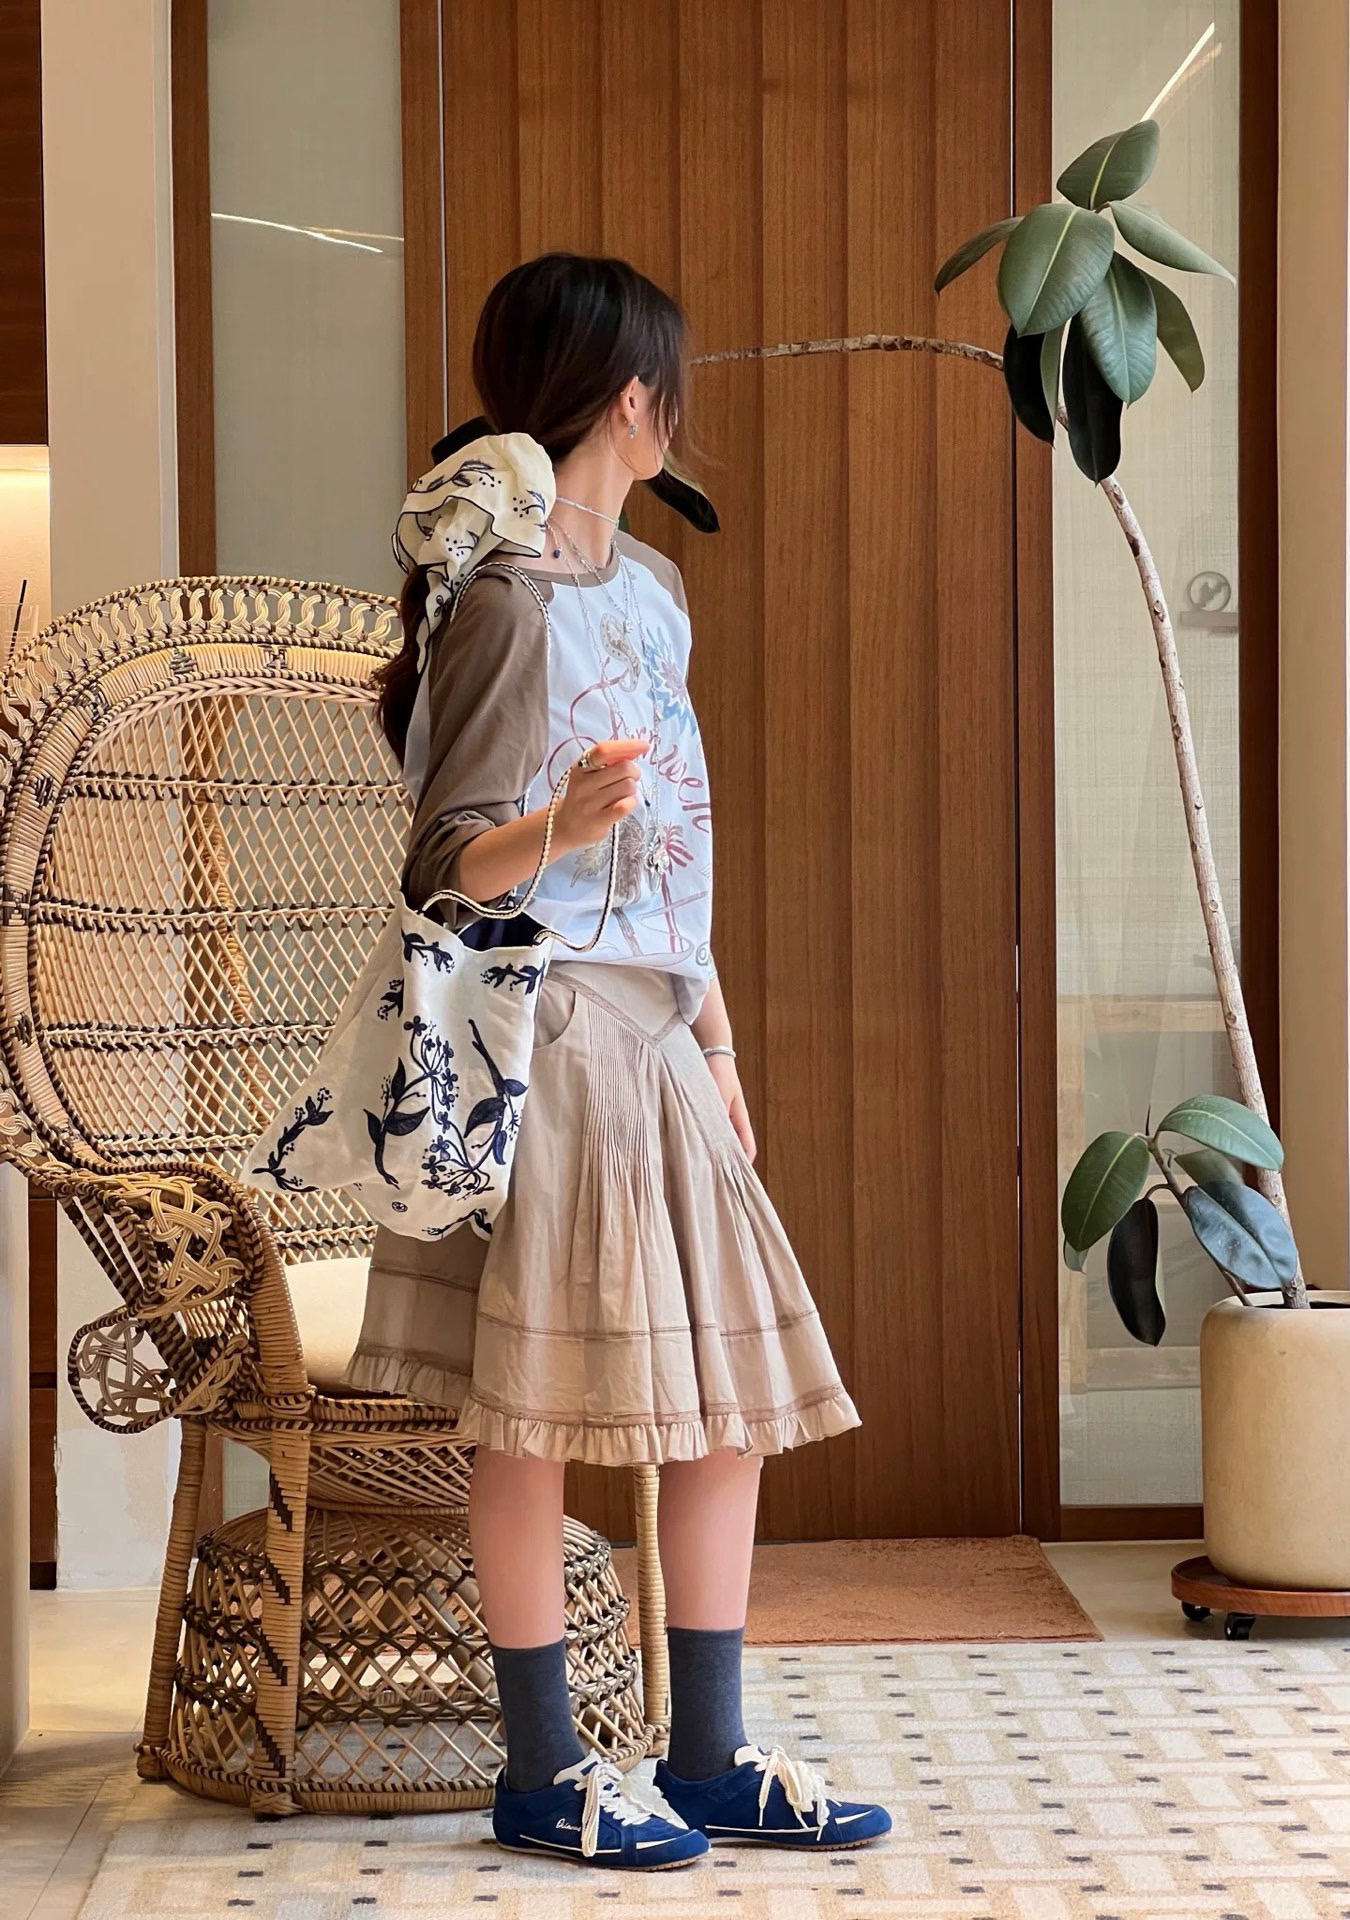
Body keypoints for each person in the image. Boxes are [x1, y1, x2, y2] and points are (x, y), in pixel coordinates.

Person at [348, 251, 890, 1871]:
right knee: (527, 1422)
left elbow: (681, 849)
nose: (679, 414)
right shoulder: (504, 599)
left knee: (728, 1411)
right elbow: (442, 865)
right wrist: (559, 825)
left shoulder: (652, 589)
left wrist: (715, 1034)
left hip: (658, 1029)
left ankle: (707, 1758)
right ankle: (544, 1775)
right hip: (550, 1033)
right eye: (672, 388)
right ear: (630, 398)